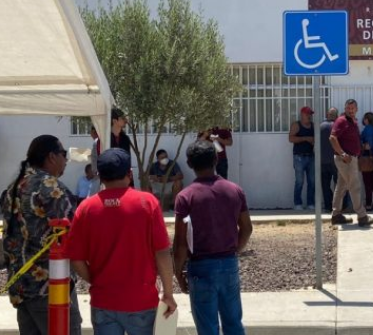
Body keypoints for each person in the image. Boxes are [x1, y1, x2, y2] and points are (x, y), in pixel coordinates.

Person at [67, 148, 177, 335]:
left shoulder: (86, 208)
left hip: (104, 301)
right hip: (141, 300)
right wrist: (168, 292)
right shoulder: (147, 203)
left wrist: (96, 280)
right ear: (130, 173)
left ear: (100, 177)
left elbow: (75, 258)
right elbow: (162, 252)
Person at [1, 135, 82, 335]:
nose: (65, 161)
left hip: (21, 288)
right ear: (52, 157)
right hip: (51, 287)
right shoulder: (49, 186)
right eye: (64, 155)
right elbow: (75, 232)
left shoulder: (16, 186)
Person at [173, 140, 253, 335]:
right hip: (228, 263)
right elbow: (247, 228)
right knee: (234, 323)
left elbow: (181, 243)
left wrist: (178, 272)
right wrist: (235, 250)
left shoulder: (185, 197)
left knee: (207, 327)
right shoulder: (234, 190)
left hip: (200, 266)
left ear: (190, 164)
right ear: (216, 159)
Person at [329, 99, 373, 227]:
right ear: (345, 108)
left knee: (341, 187)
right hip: (346, 159)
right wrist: (343, 154)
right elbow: (332, 138)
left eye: (353, 108)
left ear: (356, 109)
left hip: (350, 159)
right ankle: (362, 216)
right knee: (355, 186)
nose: (350, 110)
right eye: (348, 108)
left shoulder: (353, 122)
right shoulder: (341, 120)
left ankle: (336, 215)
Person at [320, 108, 351, 213]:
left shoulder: (320, 127)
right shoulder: (339, 126)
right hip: (337, 160)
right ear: (336, 115)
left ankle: (328, 206)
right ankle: (342, 206)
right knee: (341, 184)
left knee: (325, 184)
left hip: (323, 160)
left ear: (327, 114)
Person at [289, 107, 315, 210]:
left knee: (312, 181)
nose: (309, 116)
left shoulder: (313, 126)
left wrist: (313, 141)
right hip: (299, 157)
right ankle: (298, 203)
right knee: (299, 181)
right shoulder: (296, 125)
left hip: (311, 156)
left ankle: (310, 203)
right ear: (302, 114)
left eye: (310, 114)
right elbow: (290, 138)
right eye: (307, 114)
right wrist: (305, 138)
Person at [361, 112, 373, 211]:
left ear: (367, 120)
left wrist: (362, 146)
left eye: (364, 118)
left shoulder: (367, 130)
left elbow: (369, 146)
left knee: (367, 182)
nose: (363, 120)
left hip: (367, 158)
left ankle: (368, 204)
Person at [110, 108, 135, 188]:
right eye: (123, 118)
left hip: (125, 176)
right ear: (114, 121)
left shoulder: (125, 138)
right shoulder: (106, 138)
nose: (125, 120)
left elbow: (127, 158)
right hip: (111, 177)